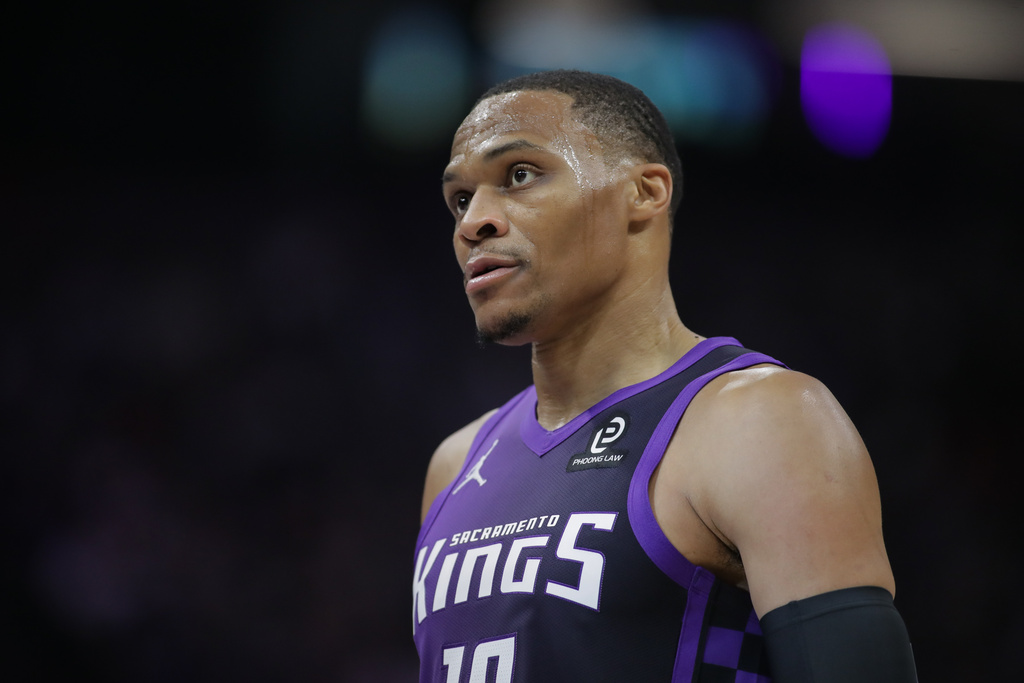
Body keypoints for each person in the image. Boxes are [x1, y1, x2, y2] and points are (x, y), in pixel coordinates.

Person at [413, 69, 917, 682]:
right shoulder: (456, 464)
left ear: (645, 192)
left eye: (520, 175)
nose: (473, 223)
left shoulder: (761, 420)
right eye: (460, 198)